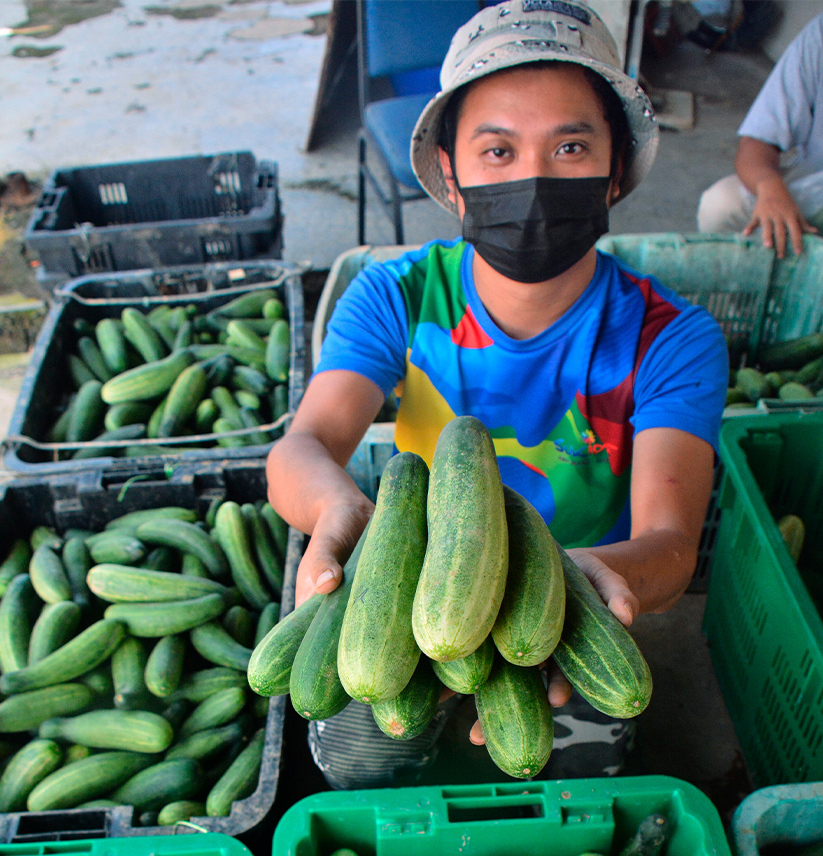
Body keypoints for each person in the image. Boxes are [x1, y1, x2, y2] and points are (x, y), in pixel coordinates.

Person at [267, 0, 728, 790]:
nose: (532, 177)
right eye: (496, 150)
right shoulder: (398, 296)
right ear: (449, 173)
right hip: (415, 578)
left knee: (577, 781)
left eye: (571, 145)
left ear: (616, 167)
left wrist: (594, 578)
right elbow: (301, 448)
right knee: (358, 757)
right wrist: (336, 514)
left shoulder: (669, 338)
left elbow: (670, 545)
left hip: (573, 593)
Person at [697, 12, 823, 258]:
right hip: (817, 190)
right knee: (721, 205)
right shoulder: (819, 36)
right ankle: (739, 291)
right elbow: (757, 141)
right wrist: (771, 188)